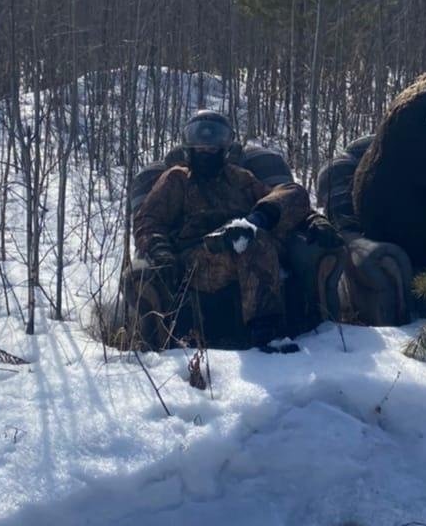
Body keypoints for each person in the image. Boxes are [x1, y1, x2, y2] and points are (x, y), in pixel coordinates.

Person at [133, 111, 311, 352]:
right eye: (200, 142)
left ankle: (248, 226)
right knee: (252, 243)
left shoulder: (240, 178)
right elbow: (148, 220)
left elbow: (280, 198)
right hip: (200, 256)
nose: (206, 149)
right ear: (188, 144)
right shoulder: (176, 179)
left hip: (248, 238)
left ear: (226, 146)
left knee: (291, 194)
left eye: (214, 143)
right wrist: (160, 251)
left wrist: (265, 219)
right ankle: (267, 334)